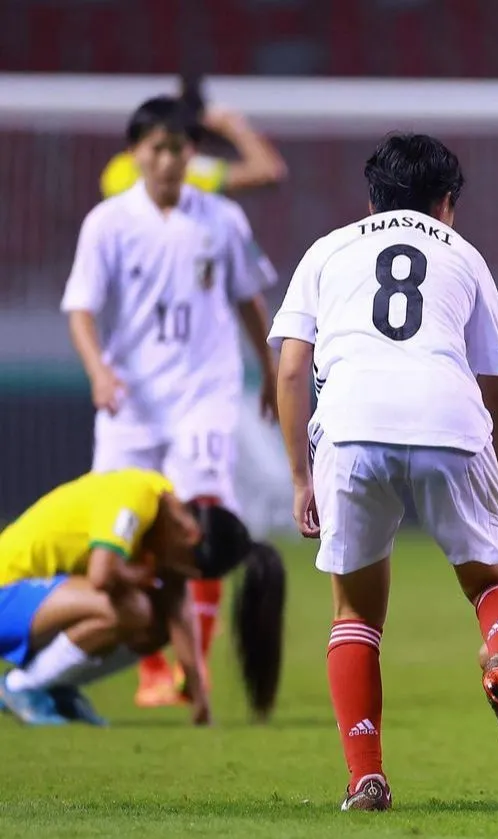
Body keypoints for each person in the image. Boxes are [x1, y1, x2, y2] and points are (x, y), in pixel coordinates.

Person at [270, 132, 498, 811]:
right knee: (495, 585)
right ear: (446, 204)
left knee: (356, 613)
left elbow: (288, 369)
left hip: (352, 424)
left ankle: (367, 775)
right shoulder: (467, 259)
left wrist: (301, 478)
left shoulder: (328, 250)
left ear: (370, 200)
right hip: (446, 419)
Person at [60, 95, 280, 710]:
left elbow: (246, 299)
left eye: (178, 147)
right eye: (155, 148)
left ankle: (193, 668)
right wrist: (99, 371)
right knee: (123, 535)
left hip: (203, 395)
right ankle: (151, 667)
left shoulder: (222, 218)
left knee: (200, 525)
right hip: (130, 402)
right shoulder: (107, 222)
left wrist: (266, 368)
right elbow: (80, 307)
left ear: (192, 153)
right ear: (133, 154)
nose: (167, 159)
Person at [0, 469, 285, 727]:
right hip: (7, 589)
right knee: (132, 608)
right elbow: (101, 574)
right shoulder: (134, 502)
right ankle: (20, 686)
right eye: (185, 568)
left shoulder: (166, 523)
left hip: (33, 601)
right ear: (190, 534)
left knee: (158, 626)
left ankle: (52, 684)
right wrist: (141, 577)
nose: (179, 575)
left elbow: (179, 613)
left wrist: (200, 702)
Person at [99, 79, 287, 199]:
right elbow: (269, 171)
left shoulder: (118, 169)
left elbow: (269, 173)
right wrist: (235, 126)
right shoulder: (194, 173)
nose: (166, 164)